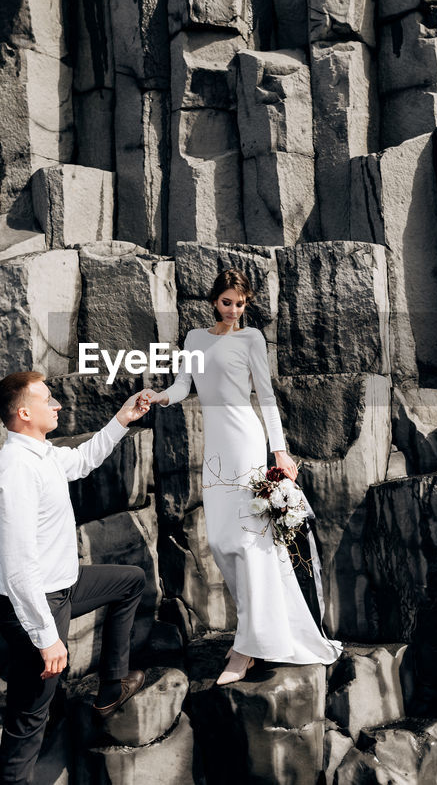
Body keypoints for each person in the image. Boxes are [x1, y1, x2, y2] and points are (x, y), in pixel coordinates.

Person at [149, 268, 341, 685]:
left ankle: (247, 647)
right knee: (220, 541)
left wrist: (280, 450)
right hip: (217, 447)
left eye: (241, 303)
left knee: (249, 540)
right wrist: (160, 397)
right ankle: (261, 632)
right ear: (214, 300)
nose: (234, 310)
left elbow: (267, 396)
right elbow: (184, 385)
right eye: (227, 302)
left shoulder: (251, 339)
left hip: (246, 441)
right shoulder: (196, 340)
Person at [0, 370, 156, 784]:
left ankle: (112, 687)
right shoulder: (16, 473)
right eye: (49, 399)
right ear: (25, 412)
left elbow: (82, 460)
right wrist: (46, 637)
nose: (58, 405)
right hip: (35, 604)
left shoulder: (41, 453)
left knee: (130, 580)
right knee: (28, 721)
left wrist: (122, 418)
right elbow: (19, 566)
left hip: (64, 586)